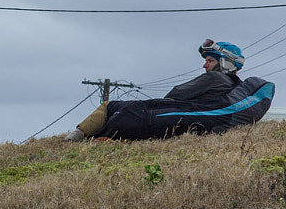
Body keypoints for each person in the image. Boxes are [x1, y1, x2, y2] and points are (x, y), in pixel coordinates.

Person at [67, 39, 257, 140]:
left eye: (210, 60)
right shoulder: (234, 87)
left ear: (225, 63)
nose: (205, 66)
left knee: (110, 106)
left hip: (169, 116)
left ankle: (76, 136)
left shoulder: (215, 78)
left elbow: (176, 94)